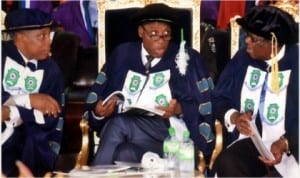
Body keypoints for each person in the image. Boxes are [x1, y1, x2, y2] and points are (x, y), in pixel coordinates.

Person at [84, 3, 215, 166]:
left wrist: (180, 108)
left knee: (118, 123)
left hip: (168, 135)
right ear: (141, 32)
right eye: (154, 34)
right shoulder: (122, 55)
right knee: (123, 153)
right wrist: (99, 112)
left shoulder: (186, 58)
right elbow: (97, 102)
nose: (161, 41)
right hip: (136, 139)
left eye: (166, 34)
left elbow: (206, 104)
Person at [212, 5, 299, 177]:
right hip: (251, 142)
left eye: (252, 38)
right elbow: (219, 97)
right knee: (229, 163)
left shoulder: (296, 62)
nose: (246, 41)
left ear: (273, 42)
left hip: (292, 147)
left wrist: (286, 143)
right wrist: (235, 117)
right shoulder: (243, 59)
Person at [1, 9, 64, 177]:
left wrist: (11, 111)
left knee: (28, 138)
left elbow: (51, 115)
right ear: (20, 38)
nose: (48, 42)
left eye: (49, 35)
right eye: (41, 37)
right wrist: (28, 99)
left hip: (29, 143)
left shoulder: (51, 70)